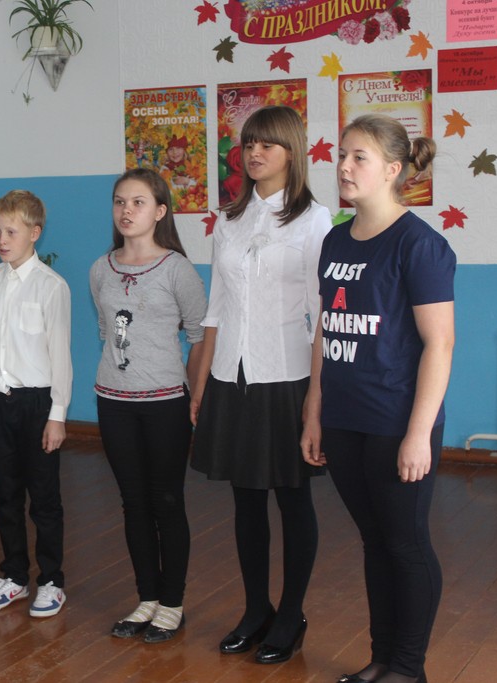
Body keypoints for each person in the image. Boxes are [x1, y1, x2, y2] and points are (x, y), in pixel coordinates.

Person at [301, 114, 455, 683]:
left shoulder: (421, 245)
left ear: (393, 169)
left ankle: (408, 669)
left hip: (397, 420)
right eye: (341, 155)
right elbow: (326, 328)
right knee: (374, 542)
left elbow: (440, 344)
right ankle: (382, 659)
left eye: (358, 157)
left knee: (405, 543)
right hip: (344, 418)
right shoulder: (335, 240)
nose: (343, 166)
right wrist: (314, 409)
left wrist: (419, 433)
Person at [189, 105, 332, 664]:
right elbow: (215, 308)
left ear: (291, 152)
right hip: (231, 374)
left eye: (266, 144)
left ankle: (291, 615)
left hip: (286, 376)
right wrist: (201, 381)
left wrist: (316, 397)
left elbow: (323, 317)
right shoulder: (228, 219)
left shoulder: (314, 220)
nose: (254, 153)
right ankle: (256, 610)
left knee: (292, 498)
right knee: (245, 499)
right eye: (249, 143)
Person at [91, 168, 206, 643]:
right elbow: (106, 332)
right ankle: (147, 598)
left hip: (165, 404)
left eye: (138, 202)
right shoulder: (101, 269)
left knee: (166, 501)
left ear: (160, 211)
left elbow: (200, 336)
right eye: (120, 201)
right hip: (113, 402)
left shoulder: (177, 269)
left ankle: (172, 604)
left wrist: (194, 393)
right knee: (133, 503)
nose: (127, 210)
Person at [0, 190, 73, 618]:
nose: (2, 240)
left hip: (36, 404)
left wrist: (57, 415)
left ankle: (51, 581)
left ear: (34, 233)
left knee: (44, 498)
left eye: (11, 232)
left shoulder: (51, 286)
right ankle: (13, 576)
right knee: (6, 495)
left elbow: (60, 357)